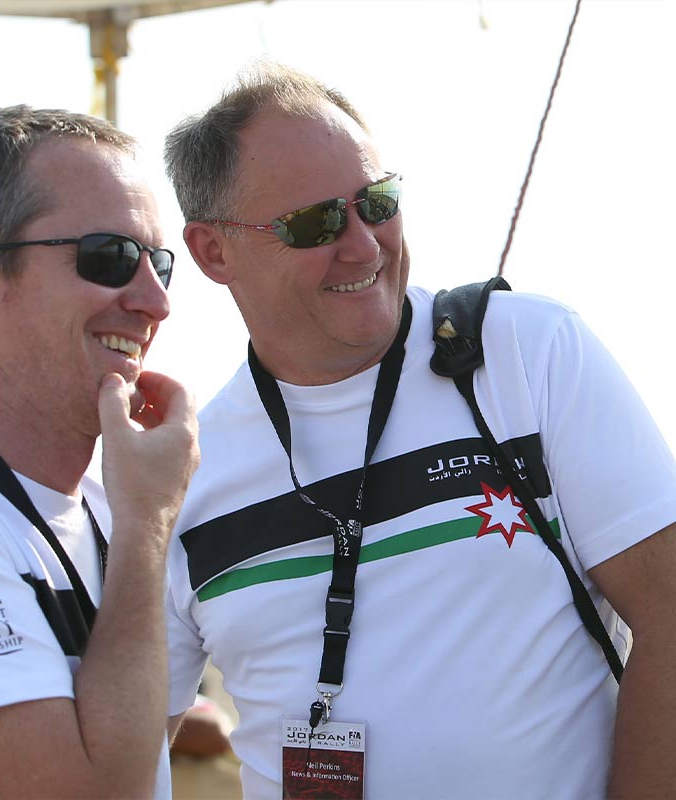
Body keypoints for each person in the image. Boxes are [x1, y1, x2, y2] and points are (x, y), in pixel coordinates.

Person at [162, 61, 676, 799]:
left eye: (376, 201)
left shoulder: (527, 353)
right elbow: (133, 744)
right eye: (315, 223)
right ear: (213, 251)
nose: (364, 245)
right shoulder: (179, 472)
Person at [0, 105, 200, 800]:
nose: (154, 302)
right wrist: (147, 529)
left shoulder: (123, 501)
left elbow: (138, 756)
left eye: (160, 264)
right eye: (110, 257)